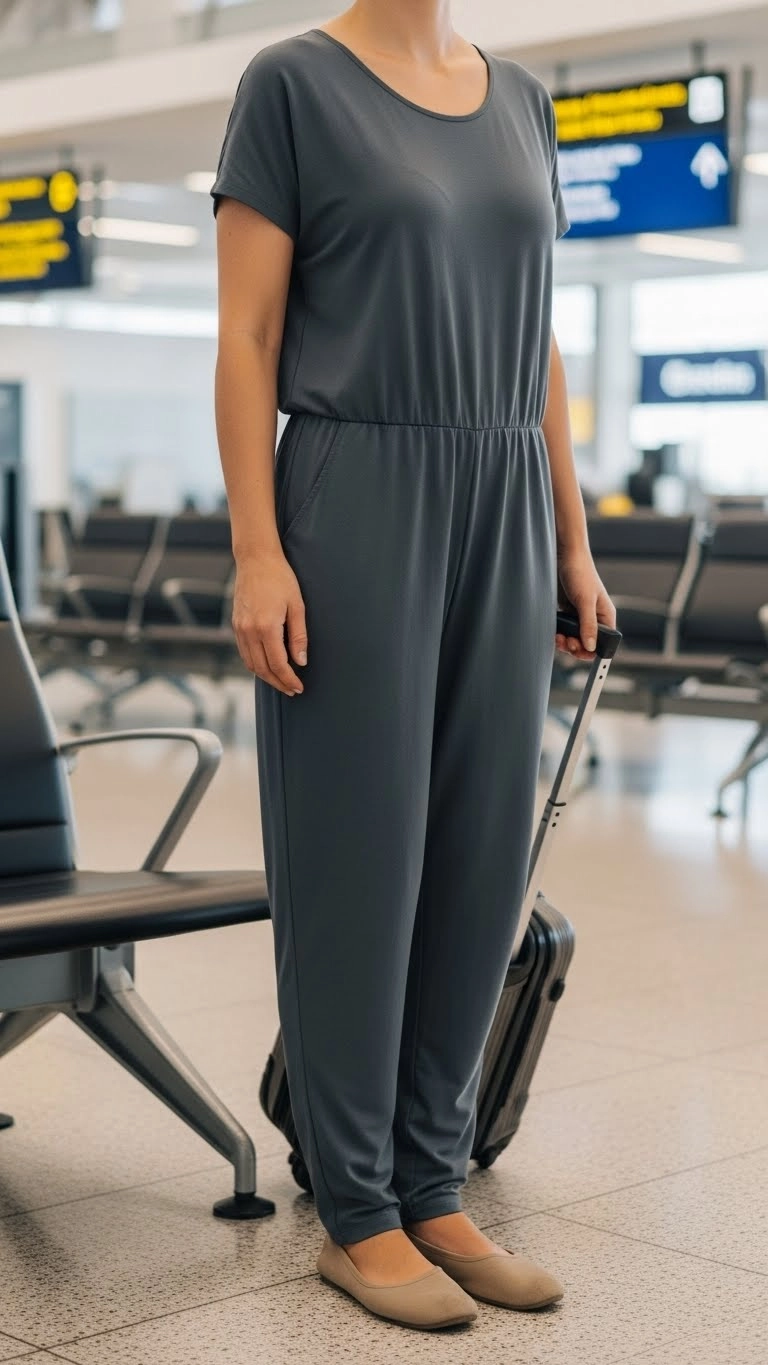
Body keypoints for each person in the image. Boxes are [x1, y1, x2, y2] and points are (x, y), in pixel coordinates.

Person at [212, 0, 616, 1333]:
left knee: (481, 854)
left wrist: (571, 537)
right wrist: (259, 551)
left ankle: (436, 1184)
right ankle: (357, 1206)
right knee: (359, 862)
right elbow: (250, 340)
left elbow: (543, 340)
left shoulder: (523, 100)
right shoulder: (292, 86)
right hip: (355, 491)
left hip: (503, 490)